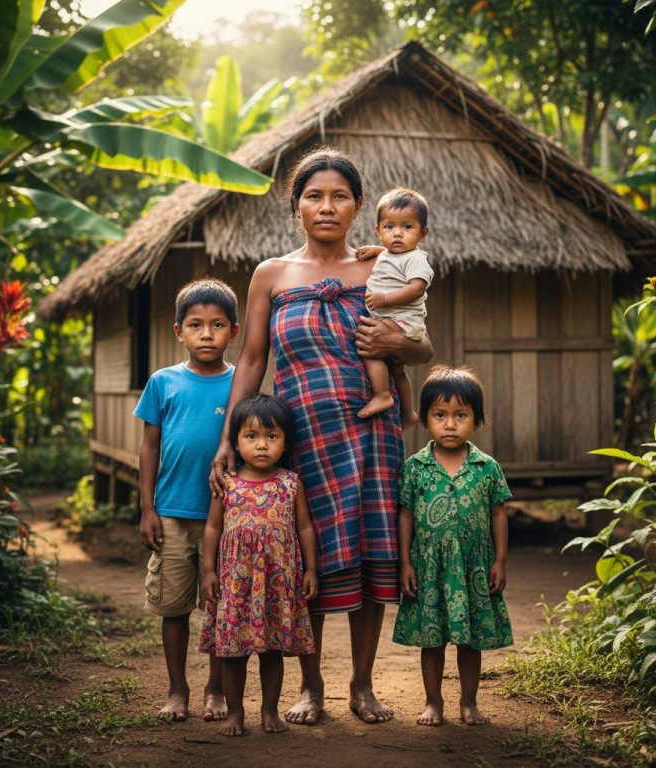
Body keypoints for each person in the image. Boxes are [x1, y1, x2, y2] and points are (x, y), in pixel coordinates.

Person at [210, 147, 432, 726]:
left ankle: (361, 685)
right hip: (300, 438)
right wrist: (228, 440)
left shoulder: (382, 267)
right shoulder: (272, 274)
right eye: (314, 195)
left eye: (339, 196)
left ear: (358, 207)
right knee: (302, 561)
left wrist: (395, 340)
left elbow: (422, 347)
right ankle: (310, 687)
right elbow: (253, 359)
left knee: (368, 558)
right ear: (297, 206)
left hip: (373, 434)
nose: (327, 206)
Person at [135, 278, 240, 722]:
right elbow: (149, 448)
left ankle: (215, 690)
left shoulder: (241, 386)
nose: (206, 334)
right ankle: (178, 689)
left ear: (234, 332)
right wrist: (147, 508)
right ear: (179, 331)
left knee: (219, 607)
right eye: (195, 325)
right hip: (173, 513)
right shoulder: (163, 383)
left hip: (229, 518)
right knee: (174, 607)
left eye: (217, 325)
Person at [392, 365, 513, 727]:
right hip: (429, 567)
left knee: (469, 638)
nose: (449, 424)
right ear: (426, 418)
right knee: (432, 639)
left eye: (460, 415)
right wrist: (404, 563)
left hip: (473, 567)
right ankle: (433, 702)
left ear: (476, 420)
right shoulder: (414, 468)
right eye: (439, 415)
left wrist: (500, 561)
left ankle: (469, 702)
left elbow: (498, 514)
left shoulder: (486, 467)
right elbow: (406, 516)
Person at [199, 394, 318, 736]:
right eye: (251, 436)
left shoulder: (290, 483)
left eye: (272, 436)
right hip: (236, 585)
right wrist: (208, 570)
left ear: (285, 442)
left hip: (277, 585)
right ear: (235, 441)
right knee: (233, 655)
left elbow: (305, 527)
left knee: (273, 652)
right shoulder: (227, 485)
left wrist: (310, 569)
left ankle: (269, 710)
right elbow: (212, 528)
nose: (262, 445)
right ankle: (235, 713)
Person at [355, 187, 433, 429]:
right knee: (397, 370)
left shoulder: (417, 259)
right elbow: (391, 256)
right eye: (390, 227)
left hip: (401, 320)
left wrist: (385, 299)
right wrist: (376, 250)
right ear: (378, 231)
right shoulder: (389, 254)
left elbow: (416, 289)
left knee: (371, 349)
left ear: (423, 233)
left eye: (407, 227)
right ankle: (409, 412)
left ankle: (382, 395)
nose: (397, 234)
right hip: (393, 317)